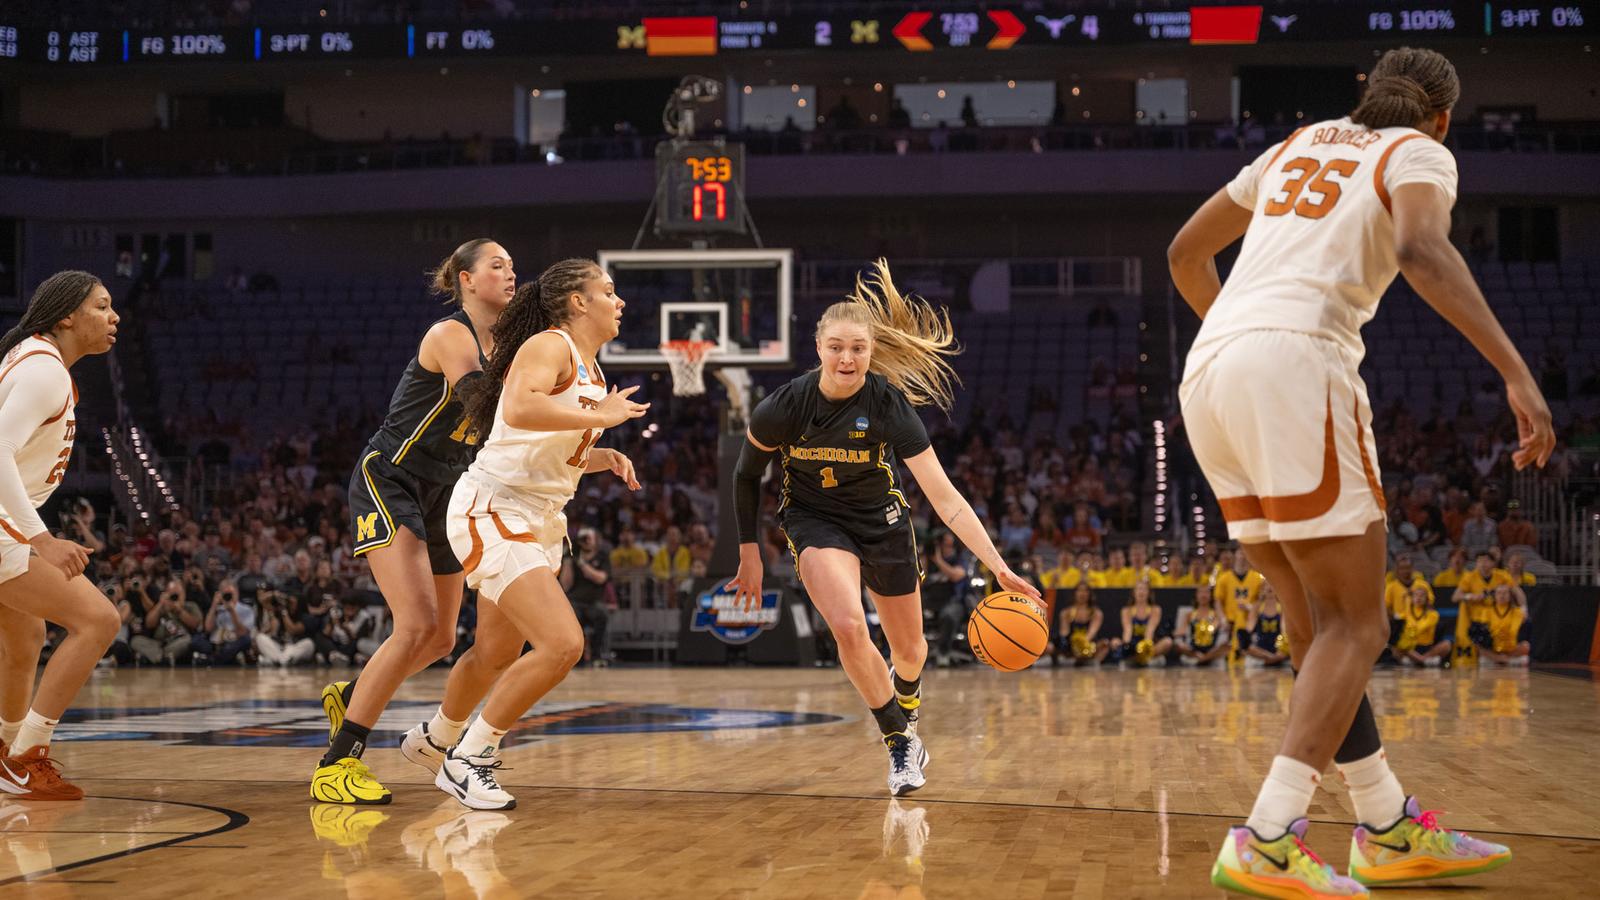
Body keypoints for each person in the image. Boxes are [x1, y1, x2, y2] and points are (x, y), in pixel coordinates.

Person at [1170, 48, 1549, 895]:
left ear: (1361, 95)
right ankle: (1267, 837)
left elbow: (1184, 256)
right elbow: (1420, 247)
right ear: (1441, 116)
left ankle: (1382, 825)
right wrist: (1517, 373)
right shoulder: (1417, 152)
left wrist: (1241, 340)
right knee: (1358, 625)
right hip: (1294, 361)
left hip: (1210, 371)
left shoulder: (1295, 145)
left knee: (1314, 621)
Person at [729, 260, 1039, 796]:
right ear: (819, 347)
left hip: (883, 523)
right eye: (837, 347)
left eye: (859, 348)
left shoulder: (889, 405)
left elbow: (945, 498)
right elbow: (745, 474)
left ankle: (908, 717)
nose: (847, 358)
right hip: (815, 519)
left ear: (871, 352)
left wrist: (999, 567)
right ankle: (899, 743)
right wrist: (748, 550)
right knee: (849, 626)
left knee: (911, 651)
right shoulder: (785, 405)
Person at [419, 259, 646, 810]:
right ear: (577, 302)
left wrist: (600, 455)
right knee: (564, 643)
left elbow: (545, 443)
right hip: (495, 505)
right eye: (609, 292)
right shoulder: (551, 345)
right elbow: (519, 408)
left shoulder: (589, 368)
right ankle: (470, 758)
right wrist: (607, 416)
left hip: (538, 513)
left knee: (497, 650)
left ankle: (436, 740)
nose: (619, 303)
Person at [313, 238, 513, 805]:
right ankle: (337, 764)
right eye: (496, 265)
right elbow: (478, 396)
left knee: (442, 637)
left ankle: (351, 696)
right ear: (466, 280)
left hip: (447, 489)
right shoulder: (452, 334)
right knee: (416, 623)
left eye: (513, 266)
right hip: (392, 476)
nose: (509, 273)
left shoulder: (511, 346)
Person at [0, 270, 122, 800]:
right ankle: (28, 755)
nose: (114, 317)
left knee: (24, 640)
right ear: (66, 315)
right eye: (101, 306)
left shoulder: (34, 360)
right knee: (98, 620)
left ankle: (7, 752)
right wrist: (42, 539)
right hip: (6, 529)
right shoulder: (44, 371)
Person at [1212, 547, 1263, 662]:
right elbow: (1218, 601)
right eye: (1240, 553)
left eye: (1245, 553)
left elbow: (1260, 601)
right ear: (1235, 556)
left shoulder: (1257, 578)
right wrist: (1222, 619)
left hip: (1250, 623)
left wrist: (1251, 608)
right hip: (1230, 623)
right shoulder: (1223, 578)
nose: (1242, 556)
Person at [1117, 579, 1171, 666]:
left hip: (1149, 645)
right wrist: (1126, 647)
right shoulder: (1126, 610)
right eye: (1138, 589)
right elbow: (1127, 630)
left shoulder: (1155, 609)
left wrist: (1145, 649)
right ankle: (1142, 660)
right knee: (1115, 643)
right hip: (1133, 645)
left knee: (1167, 642)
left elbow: (1150, 630)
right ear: (1133, 593)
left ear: (1149, 593)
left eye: (1144, 589)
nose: (1141, 592)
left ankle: (1139, 660)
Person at [1395, 584, 1452, 666]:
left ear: (1427, 599)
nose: (1419, 598)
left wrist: (1409, 630)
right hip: (1410, 647)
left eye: (1422, 596)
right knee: (1396, 643)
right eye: (1416, 595)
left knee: (1447, 644)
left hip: (1426, 647)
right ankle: (1423, 661)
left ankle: (1418, 659)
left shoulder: (1433, 614)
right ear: (1412, 598)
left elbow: (1421, 628)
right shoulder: (1406, 613)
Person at [1175, 584, 1230, 666]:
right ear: (1196, 595)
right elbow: (1179, 633)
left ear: (1211, 596)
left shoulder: (1216, 614)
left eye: (1206, 592)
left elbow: (1217, 628)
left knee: (1227, 647)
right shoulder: (1189, 615)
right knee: (1177, 645)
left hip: (1211, 649)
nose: (1203, 595)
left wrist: (1211, 627)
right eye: (1200, 592)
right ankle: (1201, 658)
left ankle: (1203, 659)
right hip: (1193, 649)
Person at [1476, 583, 1530, 665]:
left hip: (1510, 648)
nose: (1502, 596)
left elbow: (1513, 630)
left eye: (1505, 593)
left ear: (1510, 596)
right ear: (1495, 595)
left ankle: (1502, 659)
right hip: (1493, 648)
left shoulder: (1516, 611)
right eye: (1499, 593)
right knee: (1478, 646)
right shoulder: (1487, 611)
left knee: (1526, 646)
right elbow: (1484, 629)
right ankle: (1502, 659)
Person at [1057, 583, 1108, 666]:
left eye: (1085, 591)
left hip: (1089, 645)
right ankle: (1072, 661)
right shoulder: (1066, 613)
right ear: (1074, 593)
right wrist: (1072, 644)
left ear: (1090, 594)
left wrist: (1082, 645)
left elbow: (1091, 634)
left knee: (1105, 644)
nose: (1082, 593)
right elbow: (1064, 633)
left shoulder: (1096, 613)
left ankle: (1091, 662)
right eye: (1079, 590)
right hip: (1071, 646)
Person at [1244, 583, 1290, 667]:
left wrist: (1284, 645)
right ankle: (1272, 659)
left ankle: (1271, 659)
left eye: (1271, 584)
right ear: (1262, 589)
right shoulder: (1257, 606)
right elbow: (1249, 628)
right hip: (1261, 648)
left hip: (1278, 647)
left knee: (1288, 647)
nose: (1269, 587)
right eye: (1266, 585)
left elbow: (1284, 629)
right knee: (1246, 646)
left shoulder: (1282, 606)